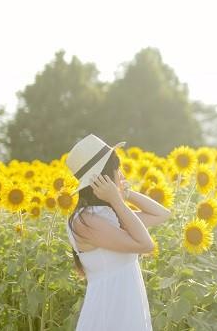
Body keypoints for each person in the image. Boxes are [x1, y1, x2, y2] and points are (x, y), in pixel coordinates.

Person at [64, 134, 171, 331]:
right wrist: (117, 200)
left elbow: (162, 214)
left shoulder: (109, 213)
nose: (121, 174)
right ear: (103, 177)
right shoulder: (85, 220)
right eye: (117, 169)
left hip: (126, 308)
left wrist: (126, 194)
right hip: (108, 313)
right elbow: (145, 245)